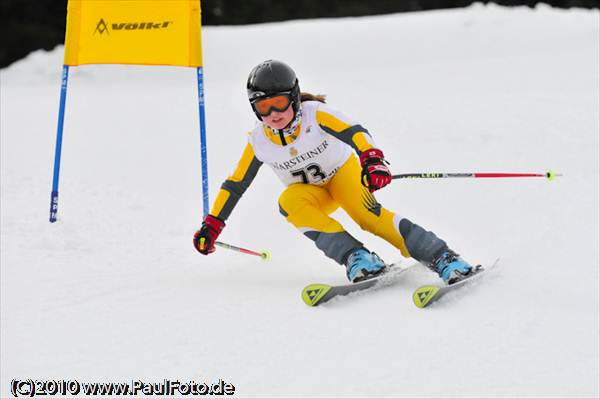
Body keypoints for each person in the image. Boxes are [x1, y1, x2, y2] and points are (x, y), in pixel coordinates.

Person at [193, 59, 475, 284]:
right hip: (313, 192)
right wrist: (213, 224)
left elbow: (355, 132)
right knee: (288, 202)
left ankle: (443, 257)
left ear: (292, 97)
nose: (273, 114)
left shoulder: (314, 114)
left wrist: (373, 160)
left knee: (368, 217)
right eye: (263, 107)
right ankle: (357, 258)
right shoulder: (259, 140)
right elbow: (236, 184)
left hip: (344, 175)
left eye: (278, 103)